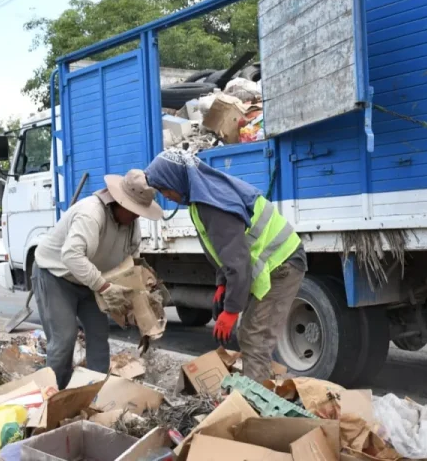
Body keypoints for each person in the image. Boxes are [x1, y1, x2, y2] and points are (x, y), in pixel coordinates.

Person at [145, 149, 307, 382]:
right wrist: (222, 284)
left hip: (283, 264)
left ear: (174, 179)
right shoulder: (201, 200)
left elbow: (238, 263)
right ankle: (260, 391)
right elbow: (223, 252)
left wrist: (231, 311)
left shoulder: (211, 204)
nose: (165, 196)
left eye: (163, 188)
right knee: (250, 334)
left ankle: (255, 409)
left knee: (254, 337)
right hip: (274, 263)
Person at [33, 170, 163, 389]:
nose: (137, 215)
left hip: (91, 280)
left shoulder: (131, 221)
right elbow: (71, 256)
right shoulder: (91, 213)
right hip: (56, 275)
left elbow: (130, 259)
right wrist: (104, 287)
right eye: (133, 210)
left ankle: (96, 392)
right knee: (64, 339)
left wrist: (139, 293)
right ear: (118, 201)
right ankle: (53, 397)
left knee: (99, 336)